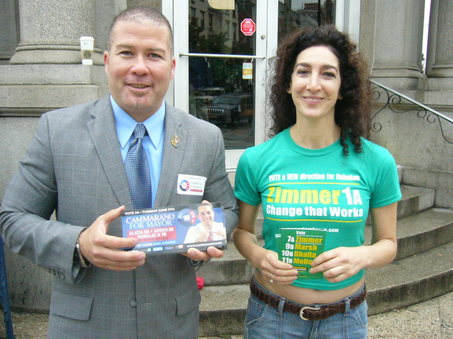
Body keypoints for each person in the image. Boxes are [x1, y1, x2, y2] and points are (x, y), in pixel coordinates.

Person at [0, 7, 238, 339]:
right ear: (108, 60)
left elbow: (227, 210)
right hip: (86, 327)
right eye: (127, 53)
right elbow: (13, 218)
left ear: (171, 67)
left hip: (171, 324)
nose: (139, 67)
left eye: (154, 55)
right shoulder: (57, 130)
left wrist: (208, 231)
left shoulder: (205, 138)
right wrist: (78, 244)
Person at [233, 25, 401, 338]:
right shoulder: (256, 159)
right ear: (288, 83)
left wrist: (362, 255)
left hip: (345, 321)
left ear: (342, 87)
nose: (313, 85)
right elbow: (241, 232)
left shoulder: (377, 161)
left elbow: (388, 244)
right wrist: (258, 255)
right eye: (303, 71)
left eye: (328, 74)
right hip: (272, 318)